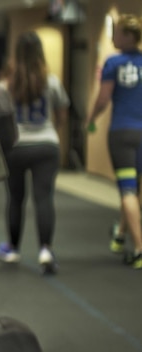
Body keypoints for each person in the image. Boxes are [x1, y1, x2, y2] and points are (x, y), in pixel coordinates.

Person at [0, 31, 70, 275]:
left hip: (15, 146)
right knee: (44, 198)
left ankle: (13, 249)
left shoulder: (5, 84)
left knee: (16, 199)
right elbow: (61, 114)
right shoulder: (52, 81)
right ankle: (46, 251)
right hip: (46, 145)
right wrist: (49, 133)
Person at [86, 14, 142, 269]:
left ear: (128, 37)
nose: (113, 37)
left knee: (127, 189)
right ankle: (120, 235)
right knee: (135, 188)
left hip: (122, 132)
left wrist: (91, 119)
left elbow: (103, 99)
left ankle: (140, 249)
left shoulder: (113, 62)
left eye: (117, 33)